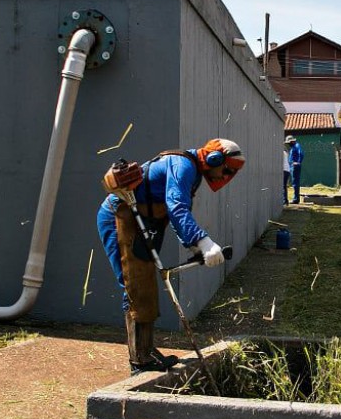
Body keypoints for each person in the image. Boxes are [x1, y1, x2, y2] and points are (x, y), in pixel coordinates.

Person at [97, 138, 246, 374]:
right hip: (119, 216)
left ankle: (145, 350)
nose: (225, 175)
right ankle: (140, 362)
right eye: (226, 169)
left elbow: (173, 211)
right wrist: (203, 240)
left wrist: (193, 246)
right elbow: (176, 206)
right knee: (135, 286)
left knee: (144, 285)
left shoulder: (192, 171)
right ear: (214, 159)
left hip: (139, 220)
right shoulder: (184, 166)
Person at [286, 134, 303, 204]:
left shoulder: (297, 146)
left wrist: (298, 162)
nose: (288, 144)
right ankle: (296, 198)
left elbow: (301, 153)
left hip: (295, 166)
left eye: (289, 143)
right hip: (292, 166)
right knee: (294, 182)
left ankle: (296, 199)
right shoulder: (293, 147)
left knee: (295, 182)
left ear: (292, 141)